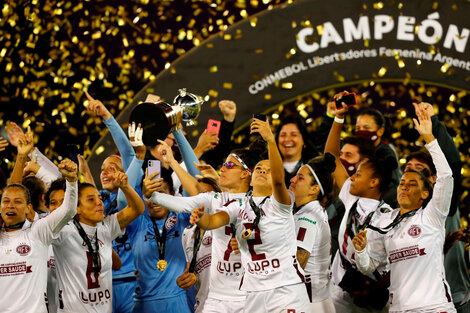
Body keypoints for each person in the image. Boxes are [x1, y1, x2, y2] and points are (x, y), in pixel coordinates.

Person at [191, 116, 311, 313]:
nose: (263, 171)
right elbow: (213, 221)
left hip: (285, 290)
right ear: (251, 179)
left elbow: (280, 182)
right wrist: (201, 218)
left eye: (269, 170)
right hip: (253, 293)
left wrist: (271, 140)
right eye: (259, 169)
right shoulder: (239, 206)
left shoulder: (281, 203)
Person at [352, 103, 456, 312]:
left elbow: (446, 176)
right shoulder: (384, 221)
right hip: (398, 308)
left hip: (434, 308)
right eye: (402, 183)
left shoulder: (432, 215)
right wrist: (361, 250)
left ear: (426, 193)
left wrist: (429, 139)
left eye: (412, 184)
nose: (404, 187)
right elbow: (369, 267)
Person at [145, 143, 264, 313]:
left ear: (246, 173)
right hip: (217, 297)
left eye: (229, 165)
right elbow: (181, 204)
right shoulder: (213, 199)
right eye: (223, 164)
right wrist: (151, 195)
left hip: (250, 295)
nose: (223, 168)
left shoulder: (262, 204)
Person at [324, 94, 398, 313]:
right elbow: (330, 157)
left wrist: (374, 287)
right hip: (338, 289)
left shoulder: (388, 217)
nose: (352, 177)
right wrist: (338, 119)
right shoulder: (351, 197)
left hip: (371, 295)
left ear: (374, 182)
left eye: (359, 174)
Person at [402, 102, 468, 312]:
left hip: (455, 300)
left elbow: (453, 165)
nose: (411, 174)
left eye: (419, 169)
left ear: (433, 178)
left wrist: (434, 126)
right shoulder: (396, 215)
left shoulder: (442, 204)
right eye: (407, 168)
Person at [51, 171, 144, 313]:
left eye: (99, 198)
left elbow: (137, 209)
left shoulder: (105, 227)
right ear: (76, 208)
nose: (99, 202)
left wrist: (125, 187)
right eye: (91, 199)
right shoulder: (64, 231)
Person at [0, 158, 78, 313]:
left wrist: (72, 180)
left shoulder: (37, 232)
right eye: (6, 201)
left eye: (18, 202)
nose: (10, 205)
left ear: (29, 208)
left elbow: (68, 210)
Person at [128, 168, 193, 313]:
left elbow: (196, 190)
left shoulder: (182, 218)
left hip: (178, 303)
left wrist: (173, 162)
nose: (155, 200)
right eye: (150, 195)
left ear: (171, 194)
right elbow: (122, 199)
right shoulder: (137, 222)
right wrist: (138, 158)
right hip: (144, 305)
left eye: (161, 193)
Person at [289, 153, 336, 312]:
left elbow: (298, 264)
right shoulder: (313, 212)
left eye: (300, 178)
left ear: (314, 189)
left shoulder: (307, 218)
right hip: (318, 298)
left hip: (307, 301)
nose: (292, 180)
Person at [275, 115, 319, 186]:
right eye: (283, 135)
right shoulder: (268, 167)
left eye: (293, 135)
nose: (287, 139)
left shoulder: (315, 168)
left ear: (303, 140)